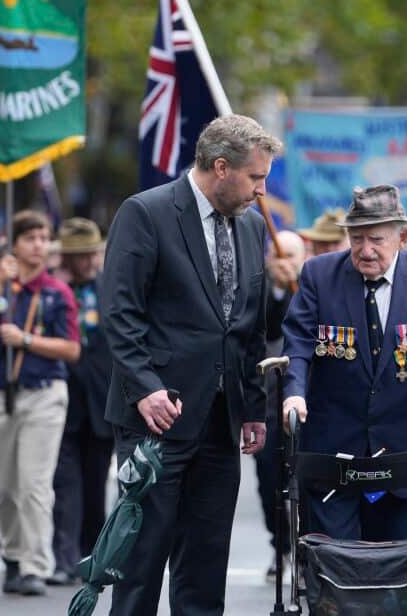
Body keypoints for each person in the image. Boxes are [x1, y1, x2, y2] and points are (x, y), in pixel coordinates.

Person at [101, 114, 277, 616]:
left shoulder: (249, 227)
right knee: (140, 563)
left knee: (204, 568)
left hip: (221, 424)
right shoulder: (146, 213)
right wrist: (145, 387)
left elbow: (247, 326)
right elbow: (120, 311)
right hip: (156, 420)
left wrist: (253, 408)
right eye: (255, 178)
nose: (261, 191)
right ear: (221, 167)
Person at [282, 184, 407, 541]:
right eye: (356, 239)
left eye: (376, 240)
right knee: (332, 559)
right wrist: (294, 393)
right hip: (332, 447)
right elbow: (299, 343)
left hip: (399, 450)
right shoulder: (319, 275)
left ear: (403, 237)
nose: (365, 251)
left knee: (390, 560)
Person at [0, 210, 80, 596]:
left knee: (33, 483)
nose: (38, 245)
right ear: (14, 244)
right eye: (30, 237)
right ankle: (13, 556)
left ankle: (34, 564)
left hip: (42, 393)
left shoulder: (56, 292)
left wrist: (27, 341)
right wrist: (0, 279)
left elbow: (71, 348)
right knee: (2, 484)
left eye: (43, 237)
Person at [50, 218, 113, 587]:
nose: (88, 261)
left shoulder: (111, 288)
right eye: (80, 256)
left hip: (102, 401)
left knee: (95, 484)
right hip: (61, 401)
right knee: (64, 485)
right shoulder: (53, 292)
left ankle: (94, 555)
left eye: (91, 253)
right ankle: (64, 557)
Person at [257, 229, 306, 583]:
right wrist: (276, 288)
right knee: (269, 482)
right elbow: (269, 327)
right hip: (270, 403)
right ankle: (281, 545)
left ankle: (308, 548)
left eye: (291, 255)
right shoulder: (260, 291)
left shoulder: (313, 291)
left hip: (307, 402)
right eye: (278, 255)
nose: (284, 262)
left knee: (306, 481)